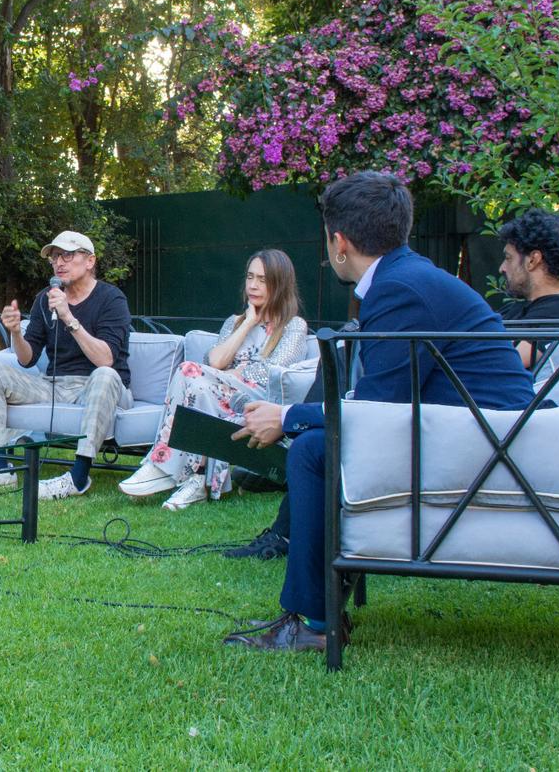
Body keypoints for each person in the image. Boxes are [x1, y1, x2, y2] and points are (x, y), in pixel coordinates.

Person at [226, 171, 535, 652]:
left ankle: (313, 623)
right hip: (482, 432)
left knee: (311, 451)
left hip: (492, 446)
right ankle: (320, 609)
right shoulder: (407, 277)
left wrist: (286, 419)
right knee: (315, 443)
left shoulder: (399, 289)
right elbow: (381, 400)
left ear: (340, 242)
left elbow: (374, 410)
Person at [118, 249, 307, 510]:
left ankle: (160, 464)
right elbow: (214, 362)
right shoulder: (235, 322)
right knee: (195, 383)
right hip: (219, 394)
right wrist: (248, 323)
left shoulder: (293, 325)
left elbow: (275, 373)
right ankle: (196, 480)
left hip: (257, 402)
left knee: (191, 374)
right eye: (250, 277)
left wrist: (236, 374)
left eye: (263, 279)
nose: (253, 285)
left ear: (280, 283)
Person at [0, 231, 132, 500]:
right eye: (54, 257)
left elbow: (105, 359)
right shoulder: (45, 298)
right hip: (53, 385)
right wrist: (15, 332)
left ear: (90, 261)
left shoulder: (112, 299)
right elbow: (28, 359)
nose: (59, 262)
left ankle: (78, 477)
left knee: (106, 374)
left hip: (102, 387)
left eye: (67, 255)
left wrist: (68, 317)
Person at [497, 208, 559, 367]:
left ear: (533, 260)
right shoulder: (516, 308)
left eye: (508, 258)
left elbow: (502, 363)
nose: (502, 268)